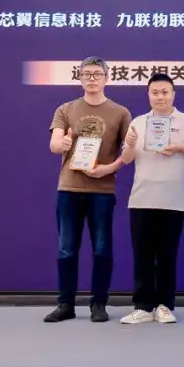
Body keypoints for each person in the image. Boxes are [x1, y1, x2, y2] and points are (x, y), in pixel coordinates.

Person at [45, 56, 131, 323]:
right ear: (79, 77)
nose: (92, 79)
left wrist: (110, 168)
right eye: (87, 74)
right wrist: (62, 144)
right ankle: (65, 304)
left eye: (97, 74)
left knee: (102, 248)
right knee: (66, 248)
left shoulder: (120, 112)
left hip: (102, 189)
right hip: (69, 187)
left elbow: (129, 152)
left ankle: (99, 303)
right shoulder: (66, 109)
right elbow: (54, 144)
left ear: (107, 78)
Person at [118, 73, 184, 325]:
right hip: (141, 198)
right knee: (143, 256)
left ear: (173, 95)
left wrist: (179, 148)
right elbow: (126, 159)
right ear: (148, 95)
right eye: (155, 92)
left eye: (165, 92)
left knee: (167, 255)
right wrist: (130, 144)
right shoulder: (138, 122)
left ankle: (165, 306)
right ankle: (143, 307)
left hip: (173, 200)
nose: (160, 97)